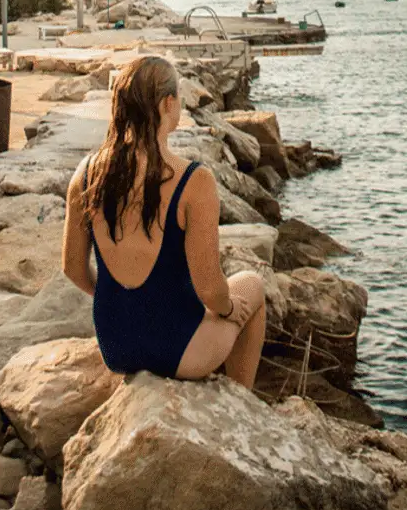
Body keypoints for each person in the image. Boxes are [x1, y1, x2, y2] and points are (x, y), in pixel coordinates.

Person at [61, 55, 266, 389]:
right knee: (252, 285)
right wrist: (230, 309)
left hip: (116, 347)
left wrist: (124, 302)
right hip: (177, 353)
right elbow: (210, 288)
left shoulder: (87, 173)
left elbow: (72, 268)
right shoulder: (193, 181)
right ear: (167, 103)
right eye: (179, 100)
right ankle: (241, 401)